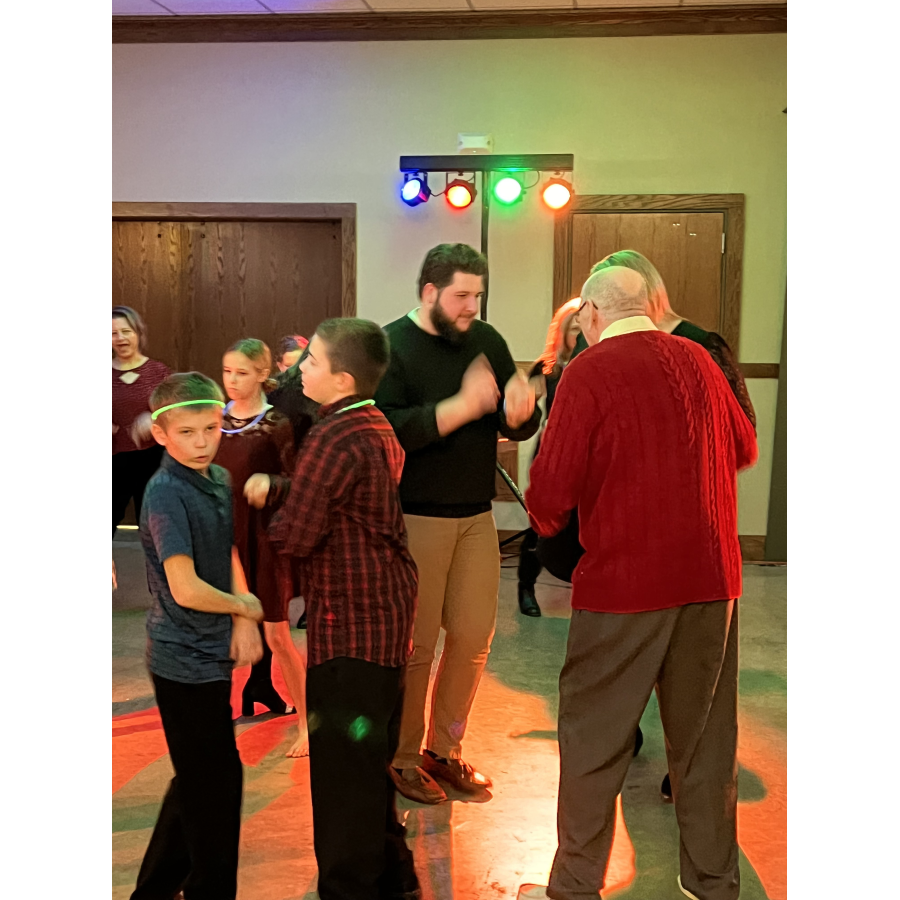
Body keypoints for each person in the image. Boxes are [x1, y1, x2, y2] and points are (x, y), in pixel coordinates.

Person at [519, 267, 758, 900]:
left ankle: (575, 886)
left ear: (592, 315)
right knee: (706, 743)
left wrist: (546, 521)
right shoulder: (699, 358)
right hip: (713, 579)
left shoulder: (588, 371)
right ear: (647, 306)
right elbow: (743, 448)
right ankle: (713, 882)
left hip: (625, 583)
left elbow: (552, 489)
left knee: (594, 738)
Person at [257, 318, 420, 900]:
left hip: (349, 626)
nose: (301, 369)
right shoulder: (373, 423)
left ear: (343, 378)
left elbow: (298, 534)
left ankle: (350, 889)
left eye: (313, 361)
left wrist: (256, 515)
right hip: (385, 619)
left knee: (342, 778)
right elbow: (341, 500)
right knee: (368, 760)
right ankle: (395, 877)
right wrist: (286, 489)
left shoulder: (332, 436)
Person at [374, 243, 542, 805]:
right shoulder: (392, 347)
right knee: (417, 647)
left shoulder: (486, 340)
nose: (472, 307)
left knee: (471, 639)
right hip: (414, 516)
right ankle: (400, 758)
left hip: (475, 515)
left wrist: (521, 413)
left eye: (478, 295)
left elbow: (514, 419)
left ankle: (444, 751)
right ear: (430, 292)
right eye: (462, 295)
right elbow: (389, 430)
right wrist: (461, 408)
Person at [130, 372, 264, 900]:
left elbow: (225, 551)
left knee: (197, 779)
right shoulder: (165, 493)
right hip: (181, 660)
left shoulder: (217, 478)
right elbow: (184, 587)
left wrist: (243, 617)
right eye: (187, 433)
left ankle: (153, 890)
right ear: (161, 434)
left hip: (211, 652)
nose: (203, 442)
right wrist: (242, 606)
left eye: (210, 429)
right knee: (215, 789)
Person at [215, 338, 309, 758]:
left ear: (262, 374)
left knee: (276, 634)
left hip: (263, 539)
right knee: (218, 632)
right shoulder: (214, 420)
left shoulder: (275, 423)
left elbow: (298, 481)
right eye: (227, 372)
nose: (232, 381)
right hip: (223, 537)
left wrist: (271, 483)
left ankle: (307, 723)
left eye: (242, 373)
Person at [516, 298, 581, 617]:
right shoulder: (547, 368)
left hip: (584, 454)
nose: (581, 334)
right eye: (574, 328)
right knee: (542, 520)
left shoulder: (599, 365)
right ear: (563, 332)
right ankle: (525, 586)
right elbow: (523, 411)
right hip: (551, 452)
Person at [112, 306, 170, 537]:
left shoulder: (158, 372)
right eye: (113, 333)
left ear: (138, 332)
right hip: (112, 460)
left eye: (126, 331)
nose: (120, 338)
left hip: (152, 459)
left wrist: (155, 418)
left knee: (152, 527)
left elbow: (177, 413)